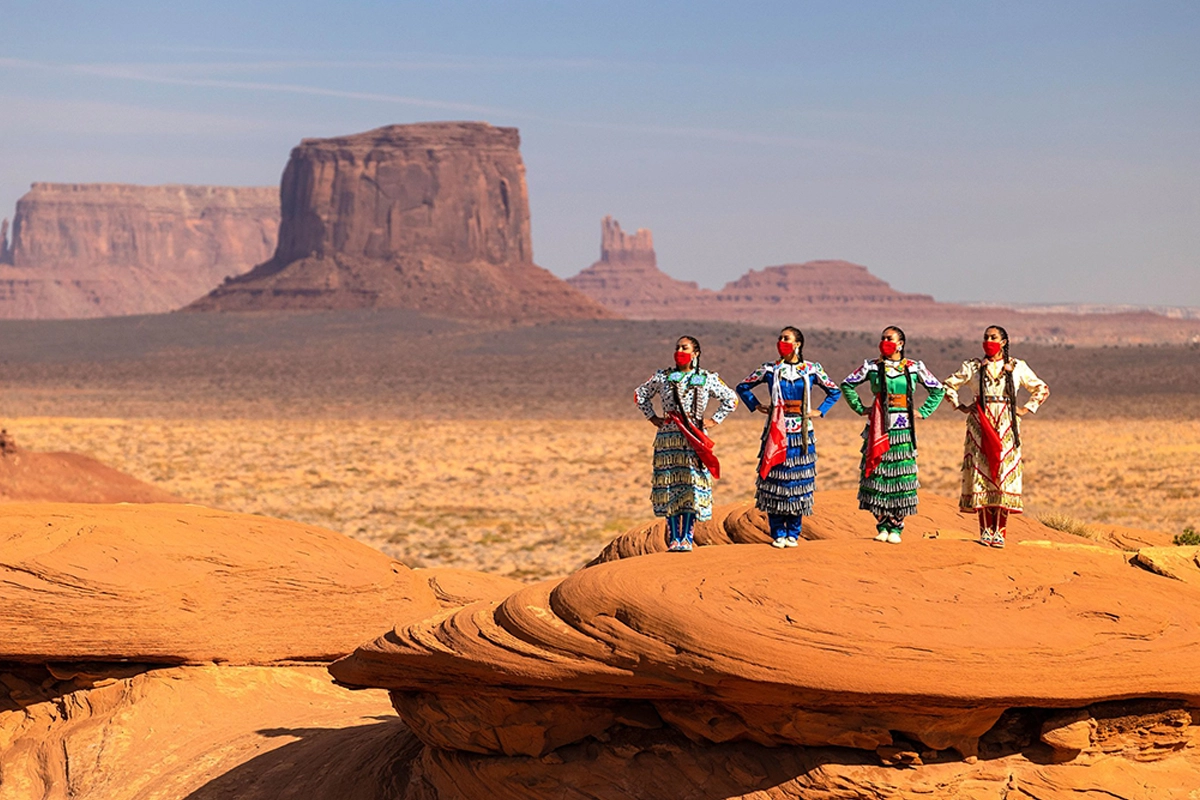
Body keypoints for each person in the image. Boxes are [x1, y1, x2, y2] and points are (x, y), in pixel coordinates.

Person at [943, 325, 1050, 548]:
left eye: (993, 337)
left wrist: (1025, 409)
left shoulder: (1017, 367)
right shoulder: (972, 366)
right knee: (982, 475)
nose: (988, 340)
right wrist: (960, 406)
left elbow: (1041, 388)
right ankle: (985, 532)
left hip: (1007, 426)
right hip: (980, 425)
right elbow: (948, 385)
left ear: (1003, 342)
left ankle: (1000, 531)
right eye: (985, 337)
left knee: (1003, 475)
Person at [736, 327, 841, 548]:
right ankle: (777, 533)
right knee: (776, 479)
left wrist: (820, 410)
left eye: (786, 338)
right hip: (776, 431)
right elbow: (743, 386)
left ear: (798, 344)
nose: (781, 341)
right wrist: (756, 406)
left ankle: (793, 532)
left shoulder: (812, 369)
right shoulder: (770, 369)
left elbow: (834, 390)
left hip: (802, 433)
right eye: (780, 338)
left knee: (799, 480)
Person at [841, 326, 945, 543]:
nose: (884, 341)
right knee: (877, 474)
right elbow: (847, 384)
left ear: (901, 344)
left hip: (903, 428)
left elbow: (937, 389)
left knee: (902, 475)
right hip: (878, 425)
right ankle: (881, 525)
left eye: (889, 338)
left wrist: (924, 411)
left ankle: (897, 527)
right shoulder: (871, 366)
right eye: (882, 338)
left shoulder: (914, 367)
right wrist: (860, 408)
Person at [634, 336, 739, 552]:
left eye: (684, 347)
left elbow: (731, 399)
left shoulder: (707, 378)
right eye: (677, 347)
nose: (679, 350)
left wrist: (714, 420)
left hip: (695, 438)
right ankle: (674, 539)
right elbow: (640, 394)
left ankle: (687, 537)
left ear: (696, 353)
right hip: (669, 440)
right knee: (671, 484)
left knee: (692, 484)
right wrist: (653, 418)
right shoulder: (663, 377)